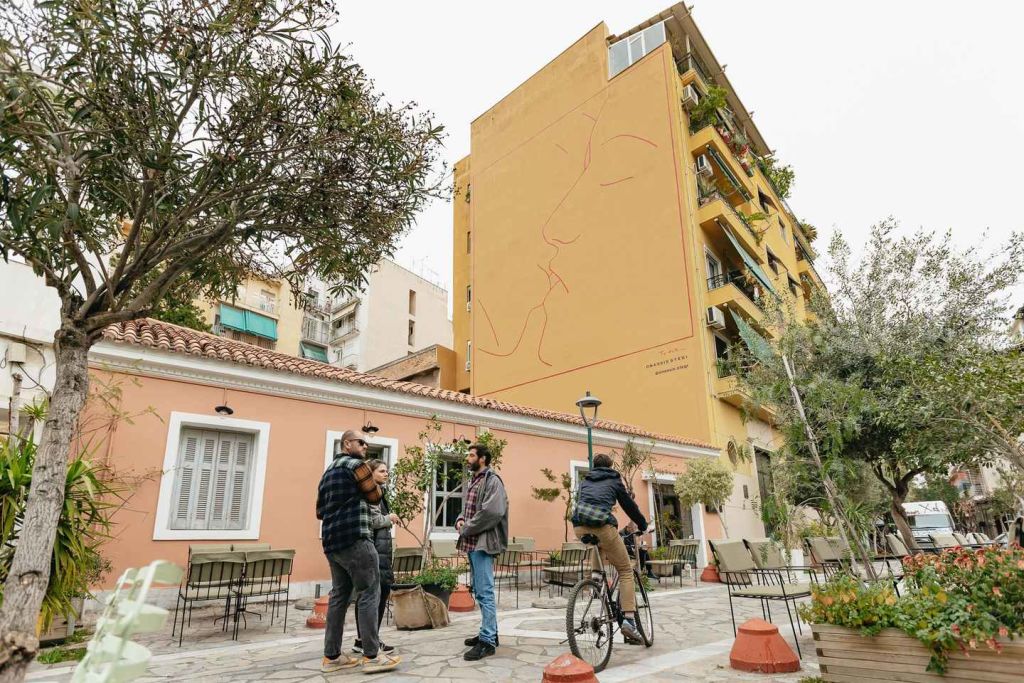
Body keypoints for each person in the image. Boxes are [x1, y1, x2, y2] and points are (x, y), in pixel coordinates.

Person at [316, 430, 400, 674]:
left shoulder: (327, 473)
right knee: (370, 593)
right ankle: (372, 656)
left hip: (332, 542)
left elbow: (320, 511)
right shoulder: (357, 466)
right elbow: (375, 496)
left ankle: (331, 657)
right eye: (360, 442)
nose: (365, 446)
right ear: (347, 444)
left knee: (339, 596)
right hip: (356, 538)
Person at [571, 453, 648, 643]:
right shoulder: (614, 480)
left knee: (597, 541)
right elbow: (628, 506)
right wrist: (642, 524)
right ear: (610, 466)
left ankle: (596, 576)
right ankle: (629, 621)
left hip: (579, 527)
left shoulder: (585, 481)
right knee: (625, 571)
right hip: (603, 526)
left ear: (594, 466)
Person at [455, 442, 509, 661]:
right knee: (479, 590)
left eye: (471, 455)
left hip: (483, 543)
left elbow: (492, 512)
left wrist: (466, 527)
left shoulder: (493, 481)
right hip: (472, 542)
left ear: (482, 459)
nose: (467, 459)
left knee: (485, 592)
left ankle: (487, 642)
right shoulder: (474, 481)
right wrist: (460, 519)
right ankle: (490, 633)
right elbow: (468, 508)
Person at [353, 459, 398, 655]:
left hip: (381, 548)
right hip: (374, 549)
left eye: (386, 471)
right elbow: (371, 520)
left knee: (375, 594)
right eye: (381, 471)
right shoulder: (370, 493)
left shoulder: (379, 492)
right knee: (374, 595)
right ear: (370, 473)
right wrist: (390, 518)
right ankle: (368, 641)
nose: (386, 474)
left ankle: (365, 639)